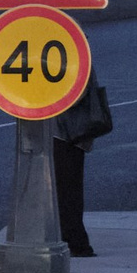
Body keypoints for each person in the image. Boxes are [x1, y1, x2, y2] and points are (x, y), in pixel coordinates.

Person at [52, 73, 114, 258]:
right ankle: (73, 240)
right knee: (66, 188)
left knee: (66, 189)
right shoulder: (72, 50)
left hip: (66, 131)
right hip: (66, 131)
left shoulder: (74, 53)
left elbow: (77, 93)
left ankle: (76, 243)